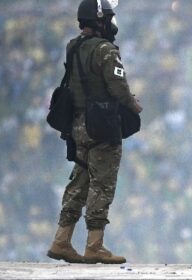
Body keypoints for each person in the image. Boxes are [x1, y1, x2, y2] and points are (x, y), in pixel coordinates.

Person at [47, 0, 143, 264]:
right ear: (100, 20)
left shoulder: (73, 46)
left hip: (78, 124)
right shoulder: (105, 50)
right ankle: (94, 245)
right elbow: (118, 87)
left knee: (79, 181)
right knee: (102, 184)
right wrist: (134, 105)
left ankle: (61, 240)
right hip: (102, 125)